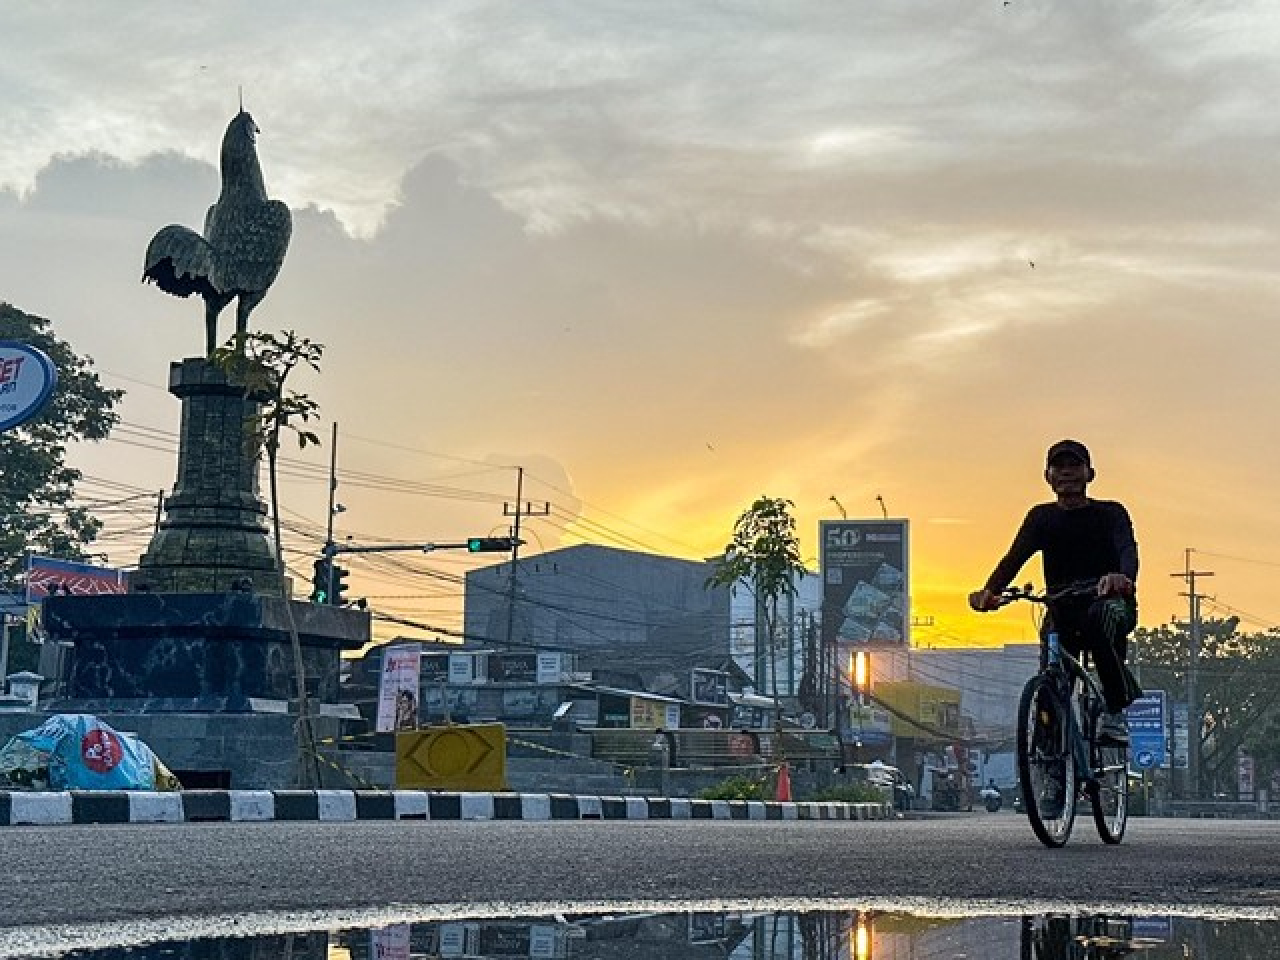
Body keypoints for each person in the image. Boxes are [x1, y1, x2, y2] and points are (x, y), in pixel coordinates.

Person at [969, 439, 1141, 743]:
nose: (1066, 473)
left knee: (1099, 619)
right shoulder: (1041, 518)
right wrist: (990, 591)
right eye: (1058, 467)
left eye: (1074, 466)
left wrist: (1122, 578)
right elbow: (1013, 559)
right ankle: (1047, 746)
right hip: (1063, 606)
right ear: (1048, 476)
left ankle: (1114, 713)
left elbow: (1128, 550)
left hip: (1111, 603)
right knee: (1051, 657)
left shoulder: (1111, 513)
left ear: (1090, 473)